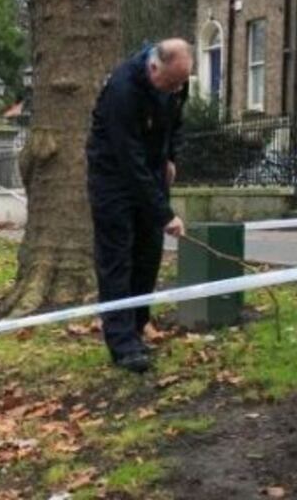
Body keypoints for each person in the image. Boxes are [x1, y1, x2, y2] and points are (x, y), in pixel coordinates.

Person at [85, 38, 193, 374]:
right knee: (117, 257)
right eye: (171, 83)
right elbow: (128, 159)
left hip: (150, 171)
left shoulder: (175, 82)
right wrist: (164, 213)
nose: (176, 89)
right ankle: (123, 344)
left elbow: (174, 123)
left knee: (148, 254)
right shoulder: (123, 89)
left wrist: (171, 157)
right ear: (153, 67)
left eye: (180, 84)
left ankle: (138, 324)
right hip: (114, 177)